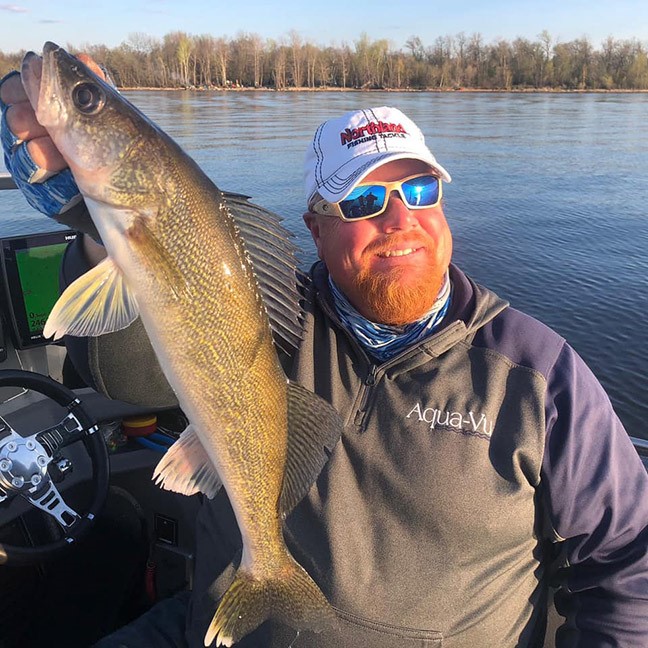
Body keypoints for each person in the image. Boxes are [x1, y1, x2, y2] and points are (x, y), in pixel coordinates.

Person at [2, 62, 648, 648]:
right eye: (364, 200)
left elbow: (628, 566)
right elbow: (129, 374)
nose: (401, 220)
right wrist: (95, 233)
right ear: (315, 226)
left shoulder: (540, 377)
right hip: (220, 629)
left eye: (420, 191)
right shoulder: (275, 321)